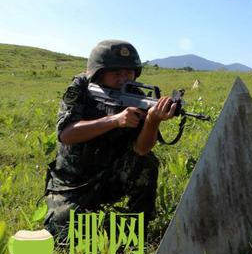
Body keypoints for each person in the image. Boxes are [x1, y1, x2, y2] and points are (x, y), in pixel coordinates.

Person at [43, 40, 177, 240]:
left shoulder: (136, 96)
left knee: (147, 163)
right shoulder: (81, 88)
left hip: (111, 175)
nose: (124, 78)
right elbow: (66, 134)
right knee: (64, 235)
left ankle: (135, 230)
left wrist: (152, 120)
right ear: (98, 72)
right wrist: (114, 120)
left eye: (129, 72)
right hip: (74, 181)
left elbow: (141, 149)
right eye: (116, 73)